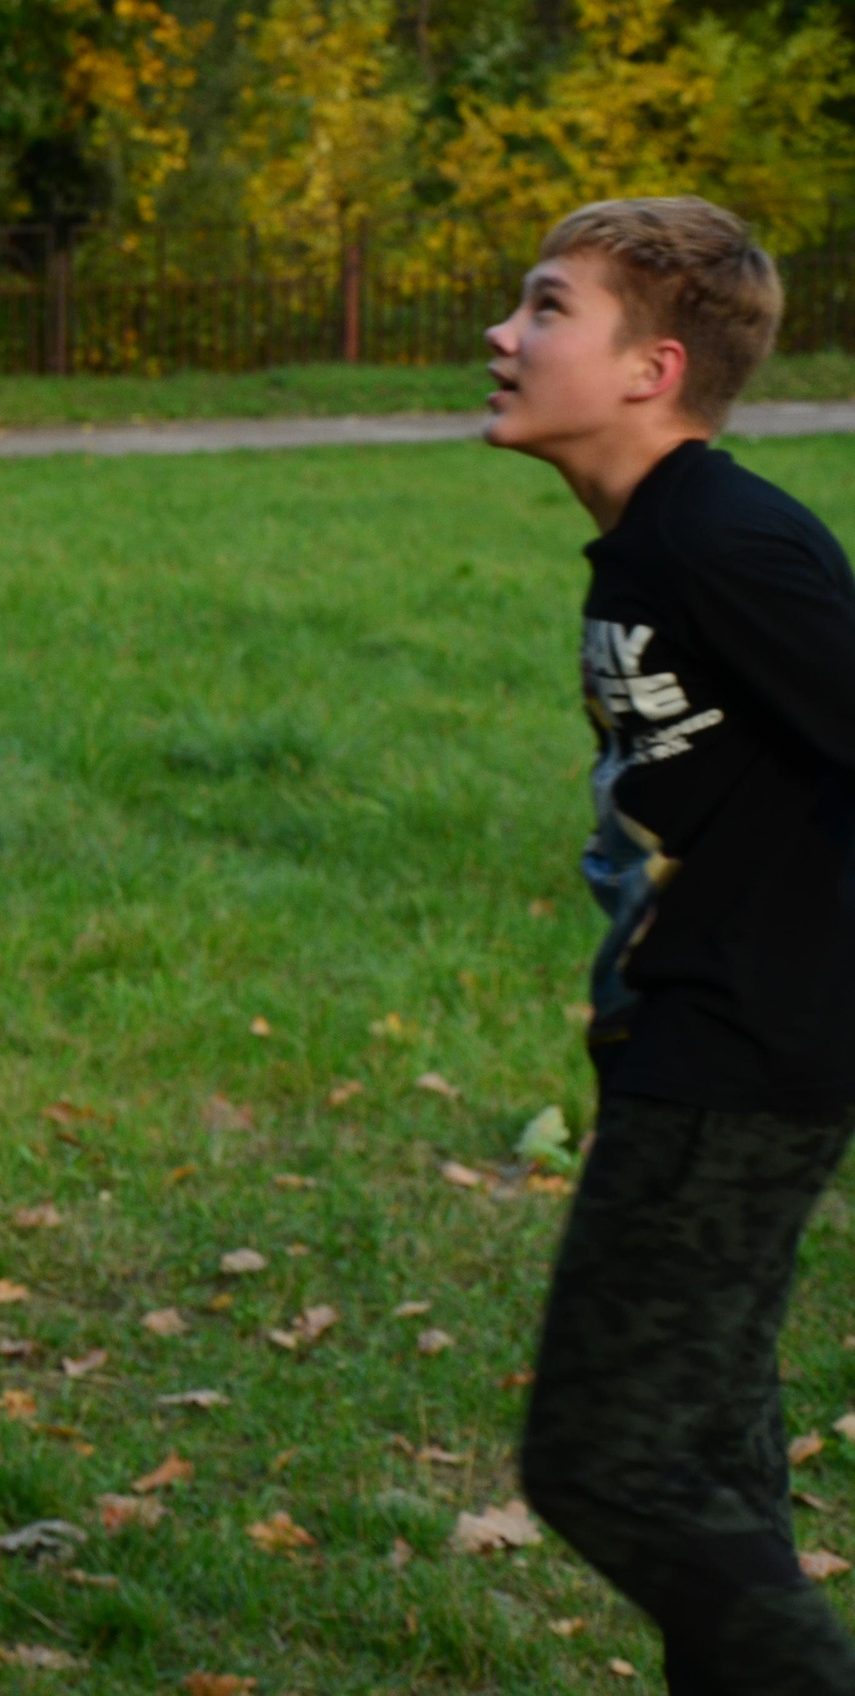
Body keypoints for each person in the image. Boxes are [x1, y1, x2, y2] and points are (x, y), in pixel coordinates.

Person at [486, 196, 855, 1691]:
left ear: (654, 368)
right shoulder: (653, 541)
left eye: (548, 308)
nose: (504, 337)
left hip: (748, 1053)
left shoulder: (726, 540)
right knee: (706, 1441)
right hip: (701, 1034)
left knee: (604, 1460)